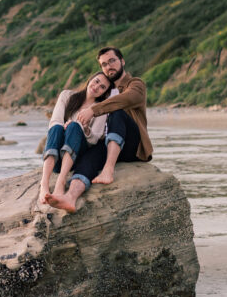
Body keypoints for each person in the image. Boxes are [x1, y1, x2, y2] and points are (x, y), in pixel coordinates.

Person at [44, 47, 153, 213]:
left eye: (112, 61)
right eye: (104, 64)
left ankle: (108, 170)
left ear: (122, 61)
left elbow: (128, 98)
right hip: (106, 143)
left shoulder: (135, 84)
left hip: (131, 144)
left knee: (117, 111)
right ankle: (70, 197)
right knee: (89, 158)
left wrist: (93, 111)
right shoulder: (105, 93)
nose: (109, 66)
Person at [38, 72, 112, 202]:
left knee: (74, 127)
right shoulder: (67, 95)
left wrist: (84, 128)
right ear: (90, 80)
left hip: (75, 158)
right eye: (96, 81)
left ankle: (60, 183)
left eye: (102, 87)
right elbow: (55, 121)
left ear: (104, 93)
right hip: (57, 158)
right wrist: (65, 128)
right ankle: (44, 185)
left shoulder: (100, 110)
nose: (96, 87)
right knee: (56, 128)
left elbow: (94, 139)